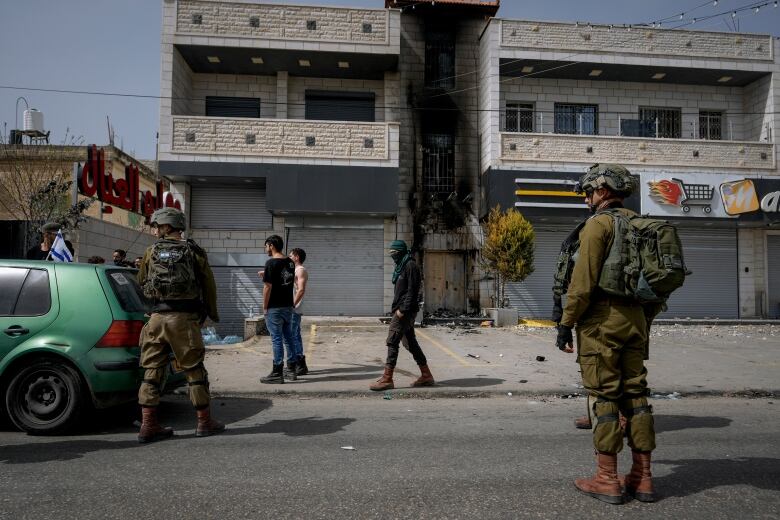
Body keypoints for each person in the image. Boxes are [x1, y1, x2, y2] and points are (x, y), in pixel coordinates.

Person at [555, 164, 658, 505]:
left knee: (605, 396)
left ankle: (607, 479)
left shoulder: (598, 225)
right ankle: (642, 478)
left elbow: (582, 284)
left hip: (602, 322)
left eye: (588, 192)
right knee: (636, 395)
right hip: (636, 319)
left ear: (602, 191)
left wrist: (566, 323)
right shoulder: (640, 225)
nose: (586, 198)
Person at [136, 207, 224, 443]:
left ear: (165, 227)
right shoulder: (193, 251)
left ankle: (148, 425)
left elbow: (141, 281)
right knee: (194, 370)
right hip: (184, 321)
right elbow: (209, 285)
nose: (155, 230)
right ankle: (204, 423)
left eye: (157, 226)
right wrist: (210, 313)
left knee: (152, 371)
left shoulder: (150, 251)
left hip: (156, 320)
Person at [370, 240, 433, 391]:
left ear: (402, 252)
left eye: (395, 253)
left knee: (392, 341)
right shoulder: (401, 266)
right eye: (391, 254)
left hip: (405, 311)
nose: (393, 256)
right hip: (402, 310)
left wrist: (402, 310)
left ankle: (387, 379)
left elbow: (413, 290)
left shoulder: (410, 266)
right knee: (410, 343)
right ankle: (426, 375)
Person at [259, 234, 296, 384]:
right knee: (289, 338)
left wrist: (265, 307)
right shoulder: (290, 263)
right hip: (288, 306)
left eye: (266, 245)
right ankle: (292, 370)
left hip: (275, 307)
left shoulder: (271, 263)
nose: (265, 248)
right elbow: (285, 280)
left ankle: (277, 372)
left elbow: (268, 287)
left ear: (271, 245)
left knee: (276, 339)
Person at [288, 247, 309, 377]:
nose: (289, 257)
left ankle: (298, 363)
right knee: (295, 335)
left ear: (297, 257)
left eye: (291, 255)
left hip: (294, 309)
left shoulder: (300, 270)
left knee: (292, 336)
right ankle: (301, 364)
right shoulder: (294, 270)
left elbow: (301, 290)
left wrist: (292, 305)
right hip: (293, 308)